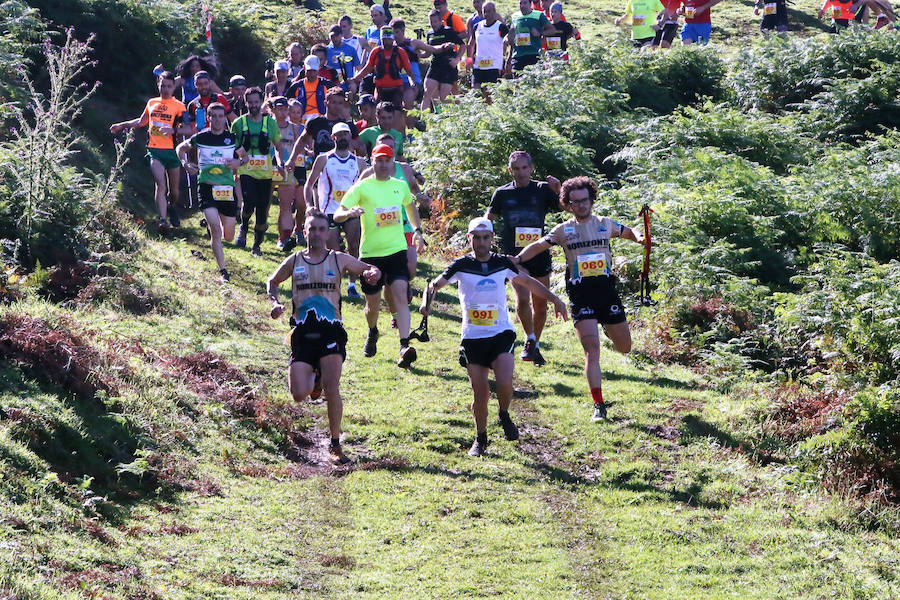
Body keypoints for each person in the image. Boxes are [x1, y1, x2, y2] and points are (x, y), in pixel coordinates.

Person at [420, 217, 567, 456]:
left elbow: (528, 283)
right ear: (469, 239)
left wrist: (557, 300)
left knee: (505, 383)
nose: (481, 242)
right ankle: (481, 438)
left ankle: (504, 413)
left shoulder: (502, 264)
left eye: (485, 237)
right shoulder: (460, 265)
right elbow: (434, 286)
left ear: (492, 239)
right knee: (480, 394)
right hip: (473, 337)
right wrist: (427, 304)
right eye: (476, 238)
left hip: (501, 333)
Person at [517, 177, 644, 422]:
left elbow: (630, 231)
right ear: (568, 204)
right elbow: (537, 246)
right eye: (575, 202)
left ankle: (608, 328)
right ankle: (598, 404)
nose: (581, 205)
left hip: (607, 293)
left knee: (624, 348)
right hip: (580, 295)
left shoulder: (605, 224)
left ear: (591, 200)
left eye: (584, 200)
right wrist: (518, 260)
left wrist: (640, 238)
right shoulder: (563, 231)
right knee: (592, 351)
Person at [267, 209, 383, 464]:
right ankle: (315, 378)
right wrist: (274, 302)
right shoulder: (294, 260)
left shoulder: (338, 259)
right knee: (299, 394)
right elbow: (272, 281)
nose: (317, 234)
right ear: (304, 231)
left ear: (328, 232)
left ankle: (334, 442)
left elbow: (368, 269)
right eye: (312, 229)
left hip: (331, 330)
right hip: (302, 332)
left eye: (322, 229)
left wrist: (373, 273)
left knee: (333, 389)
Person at [333, 143, 426, 368]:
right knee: (372, 304)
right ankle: (373, 331)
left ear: (392, 162)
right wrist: (349, 213)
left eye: (387, 160)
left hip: (396, 250)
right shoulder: (363, 187)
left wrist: (417, 231)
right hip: (370, 255)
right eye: (379, 160)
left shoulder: (400, 186)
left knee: (400, 296)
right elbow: (337, 214)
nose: (383, 164)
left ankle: (404, 345)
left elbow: (410, 208)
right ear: (372, 162)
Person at [485, 151, 560, 367]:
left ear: (531, 168)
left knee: (541, 304)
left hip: (539, 253)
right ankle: (529, 339)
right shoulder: (502, 193)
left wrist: (559, 189)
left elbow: (567, 207)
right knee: (522, 297)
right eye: (516, 169)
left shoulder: (543, 190)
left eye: (524, 168)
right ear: (510, 170)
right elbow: (488, 219)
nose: (521, 173)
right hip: (514, 257)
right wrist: (483, 241)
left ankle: (534, 342)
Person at [359, 132, 432, 327]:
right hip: (381, 230)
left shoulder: (405, 169)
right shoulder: (368, 174)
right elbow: (358, 194)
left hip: (405, 225)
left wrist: (421, 197)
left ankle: (400, 289)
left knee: (410, 269)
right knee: (392, 277)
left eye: (390, 149)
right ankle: (395, 313)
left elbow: (414, 190)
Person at [110, 71, 190, 233]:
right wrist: (122, 125)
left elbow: (188, 129)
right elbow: (141, 122)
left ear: (174, 87)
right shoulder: (152, 103)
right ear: (158, 85)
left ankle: (171, 206)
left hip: (173, 152)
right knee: (160, 184)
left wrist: (173, 130)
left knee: (173, 191)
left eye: (169, 86)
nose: (166, 89)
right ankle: (162, 220)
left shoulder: (180, 107)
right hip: (155, 150)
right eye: (163, 86)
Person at [177, 103, 248, 283]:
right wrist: (185, 164)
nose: (217, 120)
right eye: (213, 116)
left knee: (229, 236)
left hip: (227, 189)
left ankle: (213, 224)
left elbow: (245, 157)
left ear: (225, 118)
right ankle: (223, 271)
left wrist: (238, 163)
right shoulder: (201, 137)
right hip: (207, 186)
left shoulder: (232, 138)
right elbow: (180, 148)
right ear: (208, 118)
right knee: (216, 230)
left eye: (220, 116)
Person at [304, 123, 368, 298]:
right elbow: (309, 185)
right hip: (328, 211)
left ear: (350, 137)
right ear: (333, 138)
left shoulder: (360, 163)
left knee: (354, 246)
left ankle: (352, 285)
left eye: (346, 135)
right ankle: (334, 283)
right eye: (339, 135)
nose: (343, 138)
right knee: (333, 250)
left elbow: (366, 188)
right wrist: (310, 206)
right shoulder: (324, 159)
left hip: (351, 211)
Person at [231, 87, 285, 256]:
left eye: (256, 102)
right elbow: (233, 145)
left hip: (265, 173)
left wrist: (281, 162)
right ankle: (244, 227)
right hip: (246, 171)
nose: (253, 105)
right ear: (246, 103)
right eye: (250, 102)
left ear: (261, 102)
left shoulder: (270, 123)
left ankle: (257, 245)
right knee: (249, 201)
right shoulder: (239, 123)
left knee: (262, 209)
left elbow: (278, 146)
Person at [287, 88, 362, 169]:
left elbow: (362, 150)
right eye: (334, 102)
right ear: (326, 103)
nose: (337, 106)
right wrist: (291, 160)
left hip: (343, 170)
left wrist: (352, 143)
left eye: (340, 103)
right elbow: (302, 141)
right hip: (320, 169)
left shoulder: (348, 126)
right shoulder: (315, 122)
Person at [269, 96, 305, 252]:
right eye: (279, 109)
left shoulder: (295, 128)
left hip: (287, 170)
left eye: (285, 109)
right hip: (267, 168)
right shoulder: (267, 126)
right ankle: (253, 229)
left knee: (285, 206)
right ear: (273, 109)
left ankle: (284, 238)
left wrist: (293, 165)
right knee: (263, 207)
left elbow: (299, 149)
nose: (283, 113)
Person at [350, 26, 417, 107]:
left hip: (396, 89)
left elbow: (409, 72)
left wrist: (413, 83)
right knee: (378, 111)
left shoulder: (400, 52)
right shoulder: (375, 52)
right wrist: (355, 78)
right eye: (384, 40)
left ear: (393, 39)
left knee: (396, 112)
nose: (386, 42)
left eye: (389, 39)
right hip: (380, 89)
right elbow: (366, 69)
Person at [422, 9, 465, 112]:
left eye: (435, 21)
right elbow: (428, 52)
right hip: (435, 66)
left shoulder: (448, 31)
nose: (433, 24)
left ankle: (458, 111)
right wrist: (419, 54)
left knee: (443, 98)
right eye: (431, 22)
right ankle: (425, 119)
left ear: (441, 20)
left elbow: (463, 45)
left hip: (448, 67)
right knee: (428, 92)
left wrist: (457, 59)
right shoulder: (430, 34)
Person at [507, 0, 555, 73]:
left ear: (530, 4)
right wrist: (510, 37)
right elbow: (512, 36)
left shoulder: (539, 15)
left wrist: (540, 33)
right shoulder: (515, 16)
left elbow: (552, 30)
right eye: (520, 3)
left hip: (534, 54)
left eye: (525, 3)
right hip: (518, 56)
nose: (522, 6)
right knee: (518, 82)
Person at [470, 2, 509, 90]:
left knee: (489, 93)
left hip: (494, 66)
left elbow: (509, 42)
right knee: (475, 90)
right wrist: (469, 60)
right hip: (479, 65)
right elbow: (471, 44)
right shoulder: (477, 27)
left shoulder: (501, 27)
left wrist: (506, 56)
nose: (487, 14)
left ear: (494, 12)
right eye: (485, 11)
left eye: (489, 11)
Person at [287, 55, 328, 123]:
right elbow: (287, 102)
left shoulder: (326, 84)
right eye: (309, 71)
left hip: (321, 120)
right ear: (304, 69)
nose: (312, 74)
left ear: (318, 70)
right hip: (301, 121)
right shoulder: (296, 86)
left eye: (314, 71)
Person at [327, 24, 362, 90]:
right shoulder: (327, 50)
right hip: (331, 83)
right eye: (332, 37)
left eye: (336, 36)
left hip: (347, 83)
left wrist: (354, 81)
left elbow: (359, 68)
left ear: (341, 35)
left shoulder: (351, 49)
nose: (334, 38)